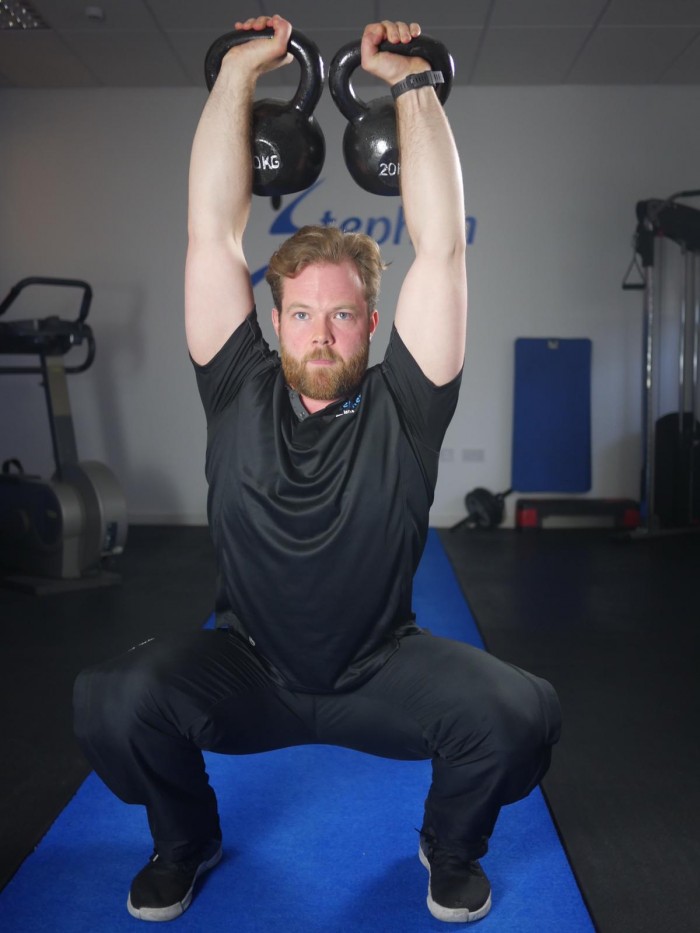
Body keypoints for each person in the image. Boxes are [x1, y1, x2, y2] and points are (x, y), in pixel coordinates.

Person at [74, 14, 561, 925]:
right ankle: (186, 839)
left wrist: (410, 84)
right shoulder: (234, 386)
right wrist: (238, 78)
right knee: (115, 698)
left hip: (380, 671)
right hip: (248, 668)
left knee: (518, 712)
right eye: (302, 314)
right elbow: (209, 235)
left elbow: (442, 247)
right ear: (278, 320)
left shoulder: (407, 406)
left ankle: (448, 847)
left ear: (372, 324)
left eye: (342, 315)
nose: (323, 332)